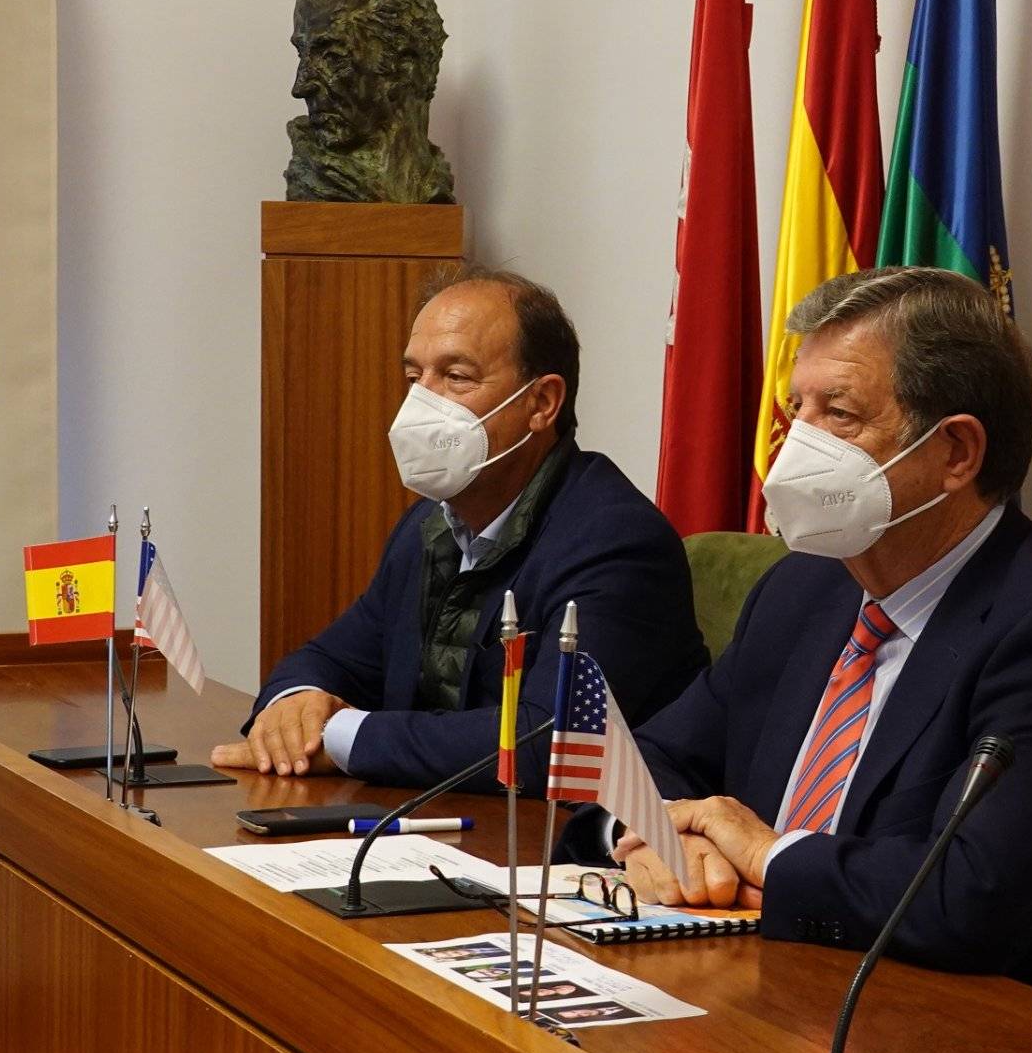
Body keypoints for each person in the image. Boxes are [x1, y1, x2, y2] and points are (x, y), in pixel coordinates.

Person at [582, 267, 1032, 996]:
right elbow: (648, 754)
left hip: (939, 1031)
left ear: (956, 452)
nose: (797, 444)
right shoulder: (804, 588)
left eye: (840, 415)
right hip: (748, 979)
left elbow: (967, 894)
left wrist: (767, 854)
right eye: (798, 409)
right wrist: (654, 840)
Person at [213, 266, 706, 790]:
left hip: (564, 851)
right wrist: (297, 704)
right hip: (428, 828)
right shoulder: (430, 524)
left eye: (456, 378)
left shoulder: (615, 541)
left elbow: (550, 740)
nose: (420, 403)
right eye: (413, 378)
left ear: (542, 403)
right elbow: (330, 658)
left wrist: (341, 736)